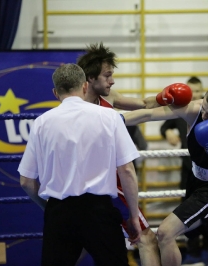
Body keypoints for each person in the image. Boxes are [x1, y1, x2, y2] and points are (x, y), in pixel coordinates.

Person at [77, 43, 191, 266]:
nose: (112, 81)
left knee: (78, 244)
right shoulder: (79, 108)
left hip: (89, 185)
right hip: (107, 183)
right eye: (107, 75)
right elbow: (140, 116)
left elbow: (143, 104)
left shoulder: (107, 98)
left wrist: (163, 97)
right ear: (90, 78)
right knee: (145, 238)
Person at [18, 64, 141, 266]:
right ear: (85, 86)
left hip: (59, 213)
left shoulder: (41, 122)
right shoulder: (109, 116)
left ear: (55, 92)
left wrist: (48, 208)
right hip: (99, 212)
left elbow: (26, 182)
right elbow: (127, 170)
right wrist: (134, 217)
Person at [123, 85, 208, 266]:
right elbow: (150, 114)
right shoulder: (195, 110)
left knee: (165, 233)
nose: (204, 117)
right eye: (205, 110)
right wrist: (115, 119)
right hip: (195, 181)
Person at [159, 76, 208, 265]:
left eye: (198, 91)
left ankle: (207, 250)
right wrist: (168, 132)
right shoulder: (183, 110)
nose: (196, 94)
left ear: (202, 91)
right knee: (186, 213)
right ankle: (193, 252)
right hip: (187, 169)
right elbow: (164, 125)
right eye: (193, 91)